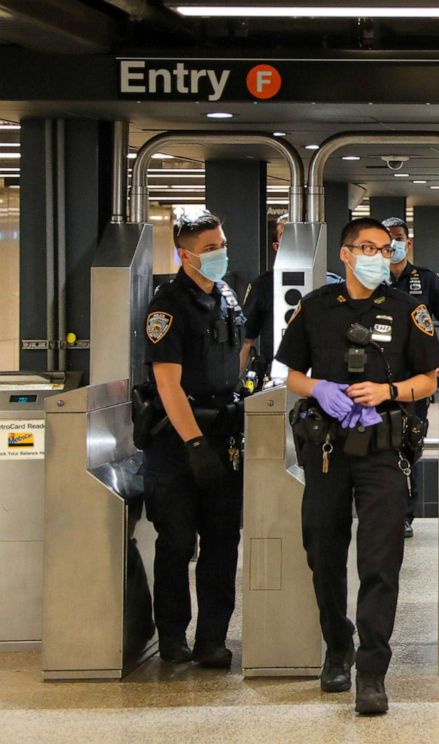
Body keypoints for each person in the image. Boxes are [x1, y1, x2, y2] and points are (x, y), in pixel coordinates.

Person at [275, 217, 439, 714]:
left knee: (379, 560)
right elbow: (290, 374)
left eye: (384, 248)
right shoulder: (315, 308)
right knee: (323, 551)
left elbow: (429, 381)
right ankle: (337, 645)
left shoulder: (408, 309)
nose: (377, 256)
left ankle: (372, 670)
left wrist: (389, 391)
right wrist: (319, 389)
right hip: (327, 450)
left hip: (382, 450)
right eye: (366, 247)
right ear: (346, 254)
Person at [141, 210, 246, 668]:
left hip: (223, 432)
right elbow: (168, 384)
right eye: (209, 249)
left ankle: (212, 638)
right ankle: (171, 636)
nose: (219, 254)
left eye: (221, 244)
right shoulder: (168, 306)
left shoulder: (226, 295)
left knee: (222, 543)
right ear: (184, 255)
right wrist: (195, 444)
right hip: (180, 442)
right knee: (178, 542)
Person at [381, 216, 439, 538]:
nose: (393, 245)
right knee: (379, 443)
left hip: (417, 380)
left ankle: (405, 514)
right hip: (378, 379)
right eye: (387, 240)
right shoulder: (370, 279)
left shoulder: (426, 280)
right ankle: (382, 509)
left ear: (408, 243)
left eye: (398, 238)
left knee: (410, 442)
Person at [240, 213, 288, 377]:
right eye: (285, 235)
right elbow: (246, 341)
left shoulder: (329, 283)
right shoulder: (263, 285)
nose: (292, 240)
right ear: (276, 246)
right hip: (275, 374)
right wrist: (233, 387)